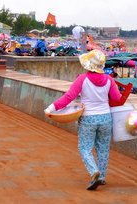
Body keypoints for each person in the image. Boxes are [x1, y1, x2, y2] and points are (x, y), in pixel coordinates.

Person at [44, 49, 122, 191]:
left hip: (88, 119)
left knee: (84, 148)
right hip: (105, 117)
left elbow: (68, 97)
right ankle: (102, 177)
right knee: (103, 148)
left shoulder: (82, 79)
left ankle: (94, 172)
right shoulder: (110, 80)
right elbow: (117, 98)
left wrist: (51, 108)